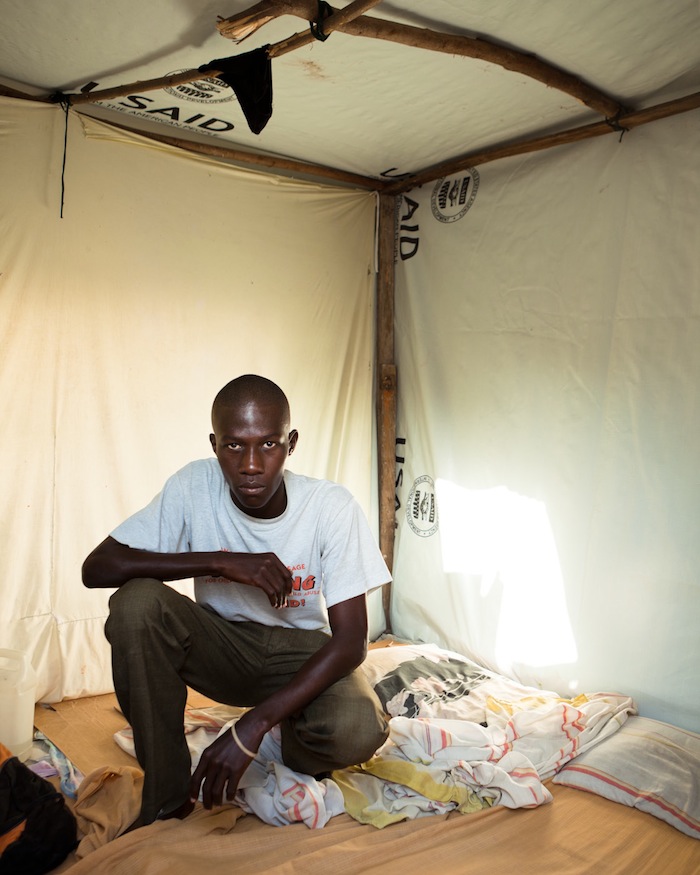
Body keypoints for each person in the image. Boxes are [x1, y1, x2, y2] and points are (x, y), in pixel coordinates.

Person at [82, 374, 390, 828]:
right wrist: (221, 562)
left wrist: (252, 728)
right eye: (233, 446)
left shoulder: (330, 507)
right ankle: (167, 796)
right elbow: (97, 568)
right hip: (221, 647)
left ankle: (280, 738)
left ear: (292, 444)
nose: (250, 464)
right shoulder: (193, 487)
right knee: (135, 604)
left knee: (358, 727)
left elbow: (350, 643)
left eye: (269, 444)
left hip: (300, 652)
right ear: (213, 444)